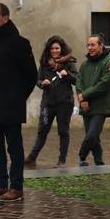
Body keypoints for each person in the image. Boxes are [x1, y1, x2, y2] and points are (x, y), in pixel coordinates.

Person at [0, 3, 36, 201]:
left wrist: (18, 97)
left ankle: (17, 185)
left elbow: (31, 76)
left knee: (14, 147)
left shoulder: (20, 43)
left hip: (11, 105)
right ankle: (0, 183)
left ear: (5, 17)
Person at [24, 36, 76, 168]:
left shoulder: (69, 62)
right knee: (42, 130)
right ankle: (32, 158)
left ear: (61, 49)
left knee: (63, 131)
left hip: (65, 103)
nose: (54, 51)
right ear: (49, 49)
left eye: (57, 48)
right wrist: (42, 83)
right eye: (52, 48)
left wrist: (67, 75)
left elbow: (77, 79)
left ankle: (62, 161)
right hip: (47, 104)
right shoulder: (44, 63)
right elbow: (37, 80)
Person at [75, 35, 110, 168]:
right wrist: (82, 98)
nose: (90, 48)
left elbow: (104, 84)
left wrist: (84, 95)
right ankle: (99, 162)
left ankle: (81, 156)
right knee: (94, 137)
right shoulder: (85, 63)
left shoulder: (109, 61)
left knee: (91, 135)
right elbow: (79, 81)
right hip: (86, 105)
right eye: (88, 45)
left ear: (101, 45)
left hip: (100, 106)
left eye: (93, 45)